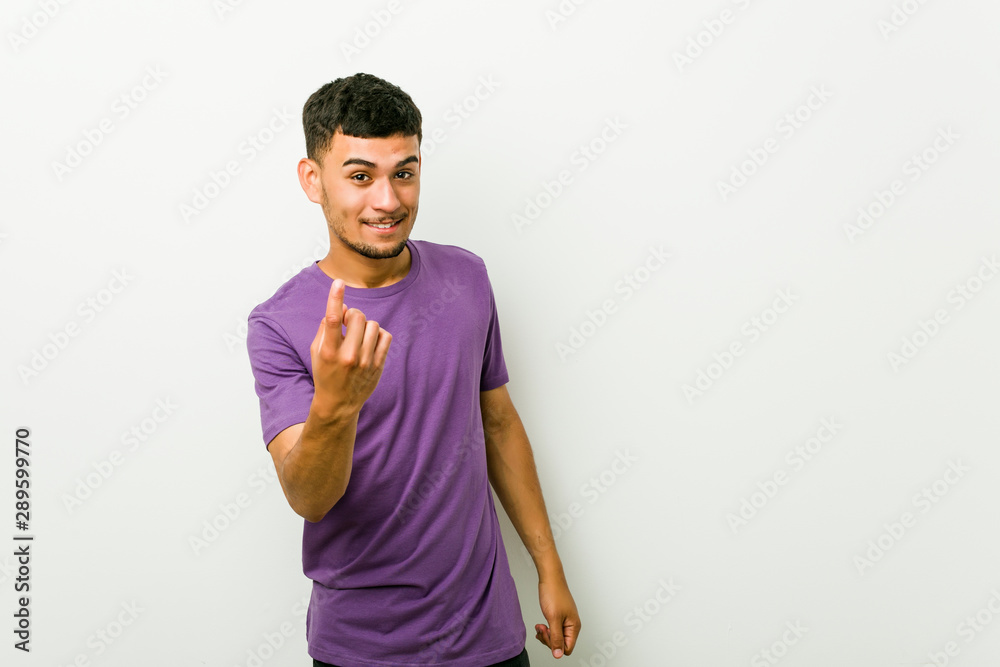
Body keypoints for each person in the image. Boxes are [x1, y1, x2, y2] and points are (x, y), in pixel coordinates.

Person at [246, 73, 581, 667]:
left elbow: (498, 424)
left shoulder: (467, 278)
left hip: (489, 639)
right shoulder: (278, 324)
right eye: (359, 176)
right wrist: (336, 405)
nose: (388, 200)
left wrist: (549, 568)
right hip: (360, 650)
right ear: (312, 180)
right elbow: (310, 497)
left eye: (404, 171)